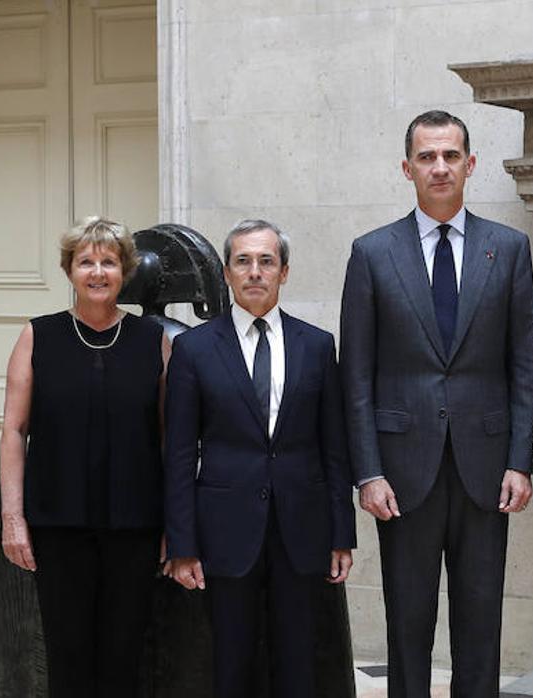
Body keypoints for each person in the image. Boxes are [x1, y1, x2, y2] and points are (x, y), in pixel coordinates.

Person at [340, 109, 533, 697]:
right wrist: (368, 471)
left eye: (451, 155)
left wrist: (520, 460)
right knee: (408, 622)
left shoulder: (509, 249)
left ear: (470, 164)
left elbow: (524, 366)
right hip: (401, 474)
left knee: (481, 622)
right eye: (427, 156)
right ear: (407, 168)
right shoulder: (372, 253)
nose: (440, 166)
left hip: (486, 467)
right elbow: (356, 375)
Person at [164, 219, 354, 698]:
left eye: (266, 261)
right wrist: (183, 542)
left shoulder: (317, 346)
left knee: (298, 663)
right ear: (227, 274)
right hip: (224, 531)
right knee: (232, 662)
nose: (254, 272)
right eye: (243, 262)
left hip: (301, 529)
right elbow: (181, 455)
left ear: (284, 272)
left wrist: (341, 532)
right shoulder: (194, 349)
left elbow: (334, 448)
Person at [0, 217, 170, 697]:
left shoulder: (151, 339)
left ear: (124, 271)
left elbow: (169, 436)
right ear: (70, 270)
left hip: (135, 526)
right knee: (67, 657)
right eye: (86, 261)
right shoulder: (38, 336)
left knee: (124, 657)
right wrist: (13, 517)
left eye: (109, 262)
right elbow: (13, 430)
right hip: (58, 524)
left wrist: (174, 521)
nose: (98, 271)